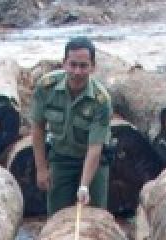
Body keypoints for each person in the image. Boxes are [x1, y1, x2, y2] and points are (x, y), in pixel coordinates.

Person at [30, 36, 113, 215]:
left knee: (94, 219)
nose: (77, 71)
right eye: (72, 64)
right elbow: (37, 129)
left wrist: (84, 186)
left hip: (93, 161)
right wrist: (41, 169)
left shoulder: (101, 100)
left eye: (83, 66)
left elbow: (95, 147)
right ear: (64, 63)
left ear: (93, 67)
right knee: (57, 217)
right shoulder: (46, 88)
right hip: (61, 158)